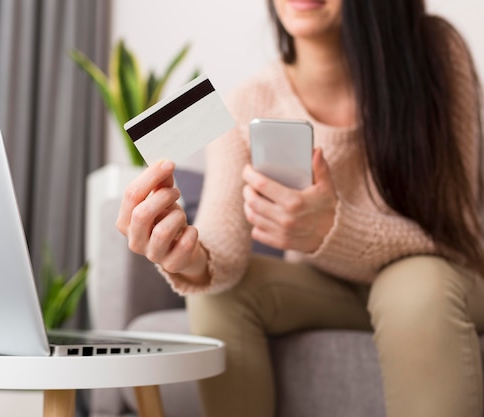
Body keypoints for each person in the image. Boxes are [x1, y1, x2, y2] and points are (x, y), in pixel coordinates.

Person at [115, 0, 484, 416]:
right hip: (327, 288)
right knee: (217, 296)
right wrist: (183, 255)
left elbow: (458, 235)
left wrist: (332, 231)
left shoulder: (435, 51)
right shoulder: (251, 100)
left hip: (440, 278)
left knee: (412, 287)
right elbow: (224, 255)